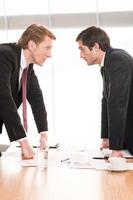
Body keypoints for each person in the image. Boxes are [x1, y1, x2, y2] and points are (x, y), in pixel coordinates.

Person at [0, 24, 56, 159]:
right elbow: (3, 97)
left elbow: (37, 97)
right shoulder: (3, 55)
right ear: (32, 45)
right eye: (47, 47)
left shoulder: (27, 66)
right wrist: (24, 142)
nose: (50, 54)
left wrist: (44, 135)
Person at [76, 26, 133, 157]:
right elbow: (106, 101)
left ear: (95, 46)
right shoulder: (107, 64)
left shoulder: (118, 60)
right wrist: (106, 138)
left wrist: (116, 148)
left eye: (82, 49)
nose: (81, 55)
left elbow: (117, 104)